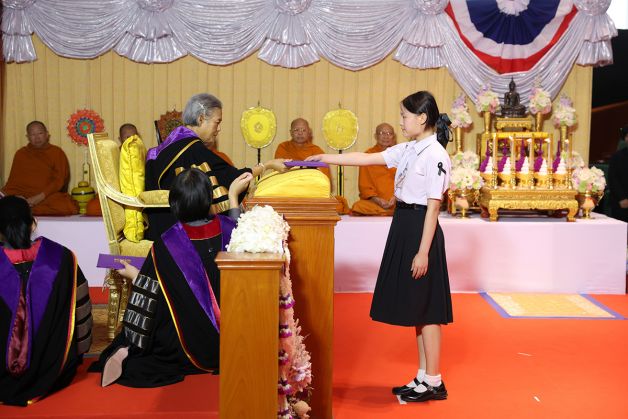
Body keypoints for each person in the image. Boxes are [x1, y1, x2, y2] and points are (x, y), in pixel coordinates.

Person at [307, 91, 453, 402]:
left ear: (422, 118)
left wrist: (423, 252)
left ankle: (435, 381)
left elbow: (433, 208)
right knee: (418, 307)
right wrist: (325, 158)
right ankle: (423, 377)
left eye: (404, 116)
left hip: (420, 230)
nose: (401, 122)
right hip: (405, 225)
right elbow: (365, 158)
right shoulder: (409, 148)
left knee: (428, 310)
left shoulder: (435, 154)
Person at [91, 168, 252, 387]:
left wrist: (134, 274)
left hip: (191, 346)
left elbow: (152, 296)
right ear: (209, 198)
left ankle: (127, 348)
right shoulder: (233, 229)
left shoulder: (166, 244)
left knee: (158, 322)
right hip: (241, 338)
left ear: (174, 203)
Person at [144, 93, 287, 240]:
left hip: (158, 227)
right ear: (201, 119)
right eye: (217, 122)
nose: (219, 129)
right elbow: (232, 178)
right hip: (178, 233)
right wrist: (267, 165)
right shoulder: (192, 148)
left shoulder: (166, 146)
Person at [0, 196, 92, 406]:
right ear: (33, 224)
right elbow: (80, 315)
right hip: (53, 371)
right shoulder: (63, 258)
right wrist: (77, 355)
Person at [1, 121, 78, 216]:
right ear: (27, 137)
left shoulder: (57, 152)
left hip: (45, 196)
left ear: (47, 134)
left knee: (67, 206)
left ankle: (23, 208)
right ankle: (22, 206)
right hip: (21, 195)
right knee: (5, 200)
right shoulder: (21, 154)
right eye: (33, 134)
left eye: (40, 133)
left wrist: (39, 197)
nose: (37, 138)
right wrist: (17, 197)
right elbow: (13, 182)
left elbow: (59, 180)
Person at [275, 118, 350, 213]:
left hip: (311, 191)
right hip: (289, 190)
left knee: (338, 204)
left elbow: (324, 178)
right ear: (290, 132)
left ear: (309, 132)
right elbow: (278, 173)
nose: (300, 133)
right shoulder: (283, 147)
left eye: (303, 130)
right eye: (296, 130)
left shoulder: (316, 151)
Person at [351, 123, 397, 216]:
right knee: (358, 206)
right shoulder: (368, 156)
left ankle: (391, 211)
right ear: (376, 136)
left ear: (394, 137)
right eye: (382, 133)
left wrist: (396, 197)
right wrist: (378, 200)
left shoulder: (399, 154)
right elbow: (365, 187)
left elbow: (406, 182)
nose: (386, 136)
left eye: (389, 133)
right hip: (376, 203)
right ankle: (391, 212)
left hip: (397, 201)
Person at [608, 124, 628, 224]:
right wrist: (622, 198)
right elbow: (613, 179)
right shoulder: (617, 157)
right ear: (625, 138)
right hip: (622, 201)